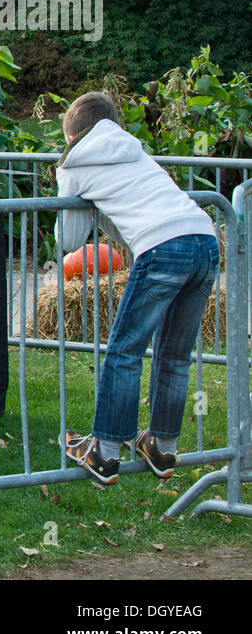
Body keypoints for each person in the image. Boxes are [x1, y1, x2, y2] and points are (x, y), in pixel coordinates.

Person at [54, 91, 220, 485]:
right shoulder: (136, 151)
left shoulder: (74, 162)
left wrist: (74, 195)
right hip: (204, 240)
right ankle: (163, 445)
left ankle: (105, 452)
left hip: (162, 247)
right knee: (175, 353)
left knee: (125, 350)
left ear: (72, 136)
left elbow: (69, 241)